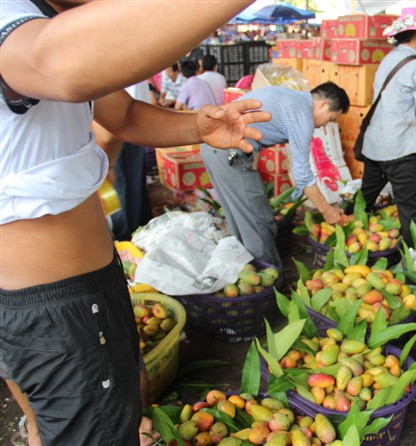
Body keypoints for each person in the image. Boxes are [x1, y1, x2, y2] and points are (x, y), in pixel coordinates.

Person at [0, 1, 270, 446]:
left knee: (107, 416)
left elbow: (123, 115)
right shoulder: (14, 17)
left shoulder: (45, 17)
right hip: (48, 302)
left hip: (89, 285)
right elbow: (55, 63)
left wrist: (196, 127)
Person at [201, 82, 349, 268]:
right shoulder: (303, 116)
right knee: (259, 223)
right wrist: (327, 210)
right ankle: (268, 276)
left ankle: (246, 269)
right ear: (324, 105)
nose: (325, 125)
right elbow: (303, 177)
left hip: (213, 147)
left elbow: (257, 129)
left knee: (240, 219)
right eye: (330, 118)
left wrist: (252, 169)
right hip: (228, 153)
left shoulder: (291, 97)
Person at [361, 6, 416, 245]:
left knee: (364, 201)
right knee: (411, 213)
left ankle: (350, 243)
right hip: (401, 150)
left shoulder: (389, 59)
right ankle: (411, 260)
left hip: (374, 146)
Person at [93, 81, 155, 241]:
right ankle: (134, 232)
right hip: (135, 127)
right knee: (133, 183)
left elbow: (107, 136)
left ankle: (125, 236)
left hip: (119, 128)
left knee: (121, 188)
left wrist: (108, 166)